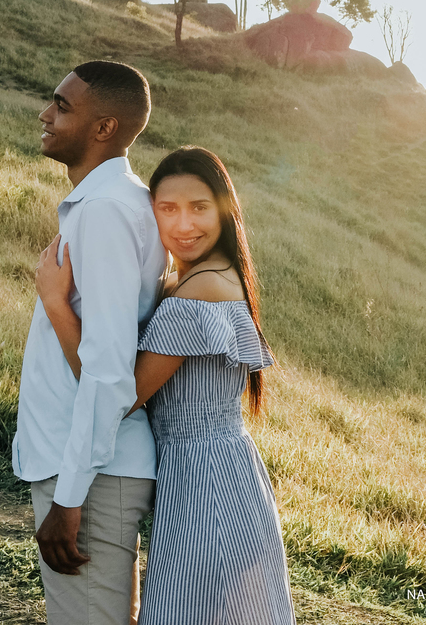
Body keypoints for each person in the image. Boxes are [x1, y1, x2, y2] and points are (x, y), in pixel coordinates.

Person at [35, 146, 296, 624]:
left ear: (225, 209)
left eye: (199, 208)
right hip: (217, 471)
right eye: (167, 208)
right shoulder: (198, 277)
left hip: (206, 482)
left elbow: (124, 395)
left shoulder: (200, 290)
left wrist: (56, 304)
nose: (183, 225)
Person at [14, 61, 166, 624]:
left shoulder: (104, 212)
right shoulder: (117, 202)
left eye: (62, 105)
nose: (45, 114)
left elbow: (107, 368)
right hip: (91, 462)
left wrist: (69, 497)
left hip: (90, 473)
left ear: (104, 128)